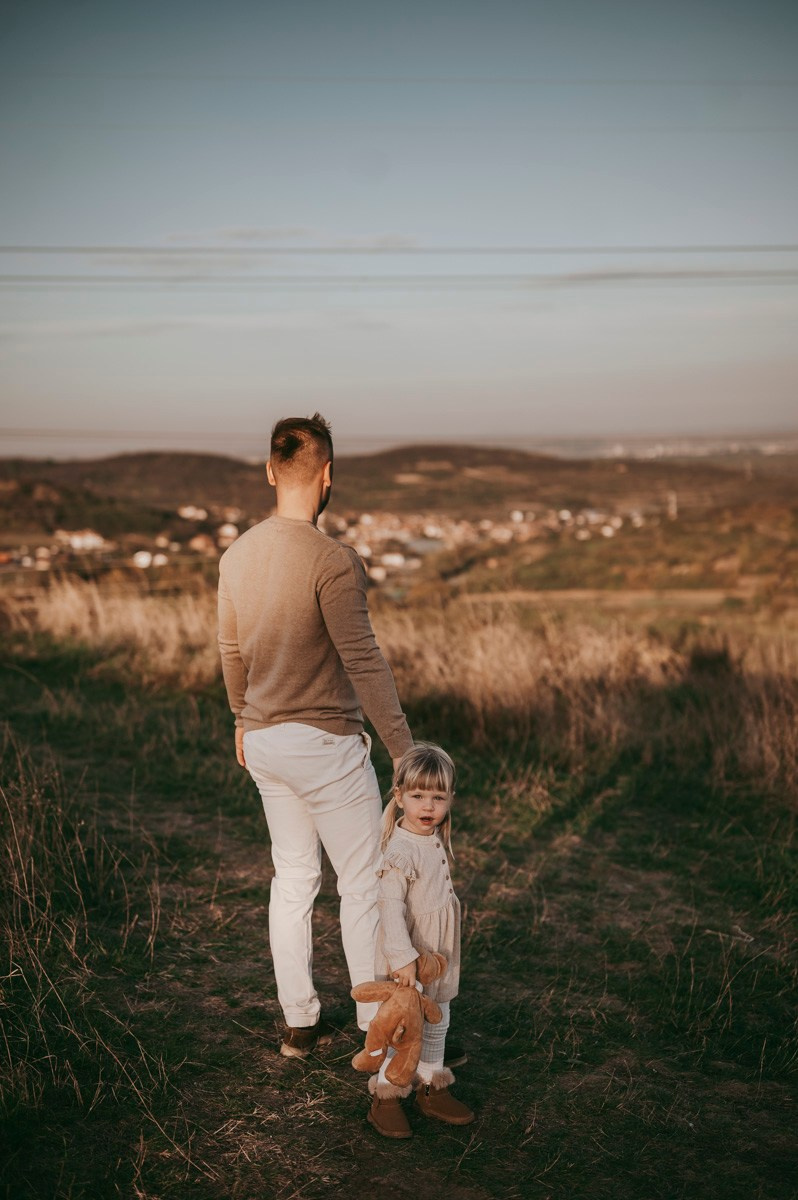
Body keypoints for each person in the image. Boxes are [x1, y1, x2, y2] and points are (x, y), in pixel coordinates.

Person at [217, 413, 413, 1058]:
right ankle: (373, 1033)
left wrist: (243, 717)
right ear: (328, 476)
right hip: (325, 746)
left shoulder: (237, 555)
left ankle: (299, 1022)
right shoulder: (334, 561)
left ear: (272, 471)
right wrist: (405, 752)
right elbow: (364, 660)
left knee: (293, 879)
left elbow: (231, 649)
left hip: (267, 743)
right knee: (361, 884)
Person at [366, 743, 475, 1138]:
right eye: (417, 796)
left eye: (438, 797)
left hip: (439, 950)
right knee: (404, 1026)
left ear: (450, 800)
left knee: (438, 1016)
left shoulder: (431, 836)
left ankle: (431, 1083)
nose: (427, 806)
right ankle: (388, 1094)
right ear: (398, 796)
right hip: (409, 955)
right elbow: (390, 906)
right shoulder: (401, 850)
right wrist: (402, 957)